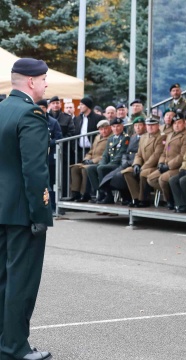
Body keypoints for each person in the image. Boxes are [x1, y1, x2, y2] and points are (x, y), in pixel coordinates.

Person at [0, 58, 53, 360]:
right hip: (22, 212)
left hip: (1, 207)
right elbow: (35, 172)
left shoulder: (2, 109)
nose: (46, 85)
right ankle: (15, 348)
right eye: (44, 79)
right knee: (21, 281)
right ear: (31, 82)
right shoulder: (31, 113)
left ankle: (3, 342)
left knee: (2, 280)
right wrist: (40, 214)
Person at [147, 114, 186, 210]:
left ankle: (170, 201)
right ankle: (172, 197)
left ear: (184, 124)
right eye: (174, 123)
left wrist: (168, 166)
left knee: (163, 179)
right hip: (167, 165)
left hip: (179, 167)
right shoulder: (169, 135)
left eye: (179, 123)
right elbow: (164, 152)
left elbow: (183, 156)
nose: (176, 125)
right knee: (151, 179)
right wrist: (161, 163)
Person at [123, 117, 166, 208]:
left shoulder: (162, 136)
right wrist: (136, 164)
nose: (150, 127)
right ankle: (136, 198)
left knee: (143, 173)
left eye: (153, 125)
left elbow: (156, 155)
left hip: (155, 166)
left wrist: (143, 167)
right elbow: (138, 154)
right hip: (143, 164)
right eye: (148, 125)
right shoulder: (143, 136)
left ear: (158, 125)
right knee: (127, 172)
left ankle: (143, 199)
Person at [86, 117, 130, 204]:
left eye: (118, 126)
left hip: (118, 165)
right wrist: (102, 163)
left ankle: (108, 195)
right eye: (114, 127)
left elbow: (121, 154)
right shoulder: (111, 138)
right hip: (110, 164)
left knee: (102, 168)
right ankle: (101, 192)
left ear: (122, 126)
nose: (116, 128)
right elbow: (105, 154)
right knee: (90, 168)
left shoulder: (126, 138)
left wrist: (105, 165)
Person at [65, 120, 111, 202]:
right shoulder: (97, 137)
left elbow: (107, 154)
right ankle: (75, 193)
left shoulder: (111, 138)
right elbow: (91, 151)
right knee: (74, 168)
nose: (103, 131)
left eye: (105, 129)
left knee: (85, 169)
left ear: (109, 128)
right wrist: (86, 158)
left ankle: (85, 194)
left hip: (101, 162)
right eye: (101, 129)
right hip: (92, 160)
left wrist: (93, 161)